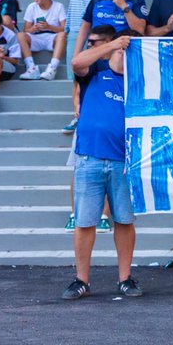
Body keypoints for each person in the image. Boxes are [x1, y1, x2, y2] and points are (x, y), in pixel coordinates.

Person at [62, 27, 142, 300]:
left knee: (124, 219)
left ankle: (125, 277)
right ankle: (81, 279)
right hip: (90, 157)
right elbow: (75, 63)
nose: (124, 52)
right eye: (122, 47)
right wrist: (111, 45)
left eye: (127, 49)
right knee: (84, 221)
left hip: (123, 160)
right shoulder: (95, 71)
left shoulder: (138, 81)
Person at [17, 0, 67, 81]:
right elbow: (26, 29)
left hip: (52, 38)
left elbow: (64, 29)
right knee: (20, 35)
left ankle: (52, 68)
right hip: (36, 38)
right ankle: (31, 68)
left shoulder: (58, 6)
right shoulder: (32, 7)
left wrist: (49, 27)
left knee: (62, 35)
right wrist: (33, 28)